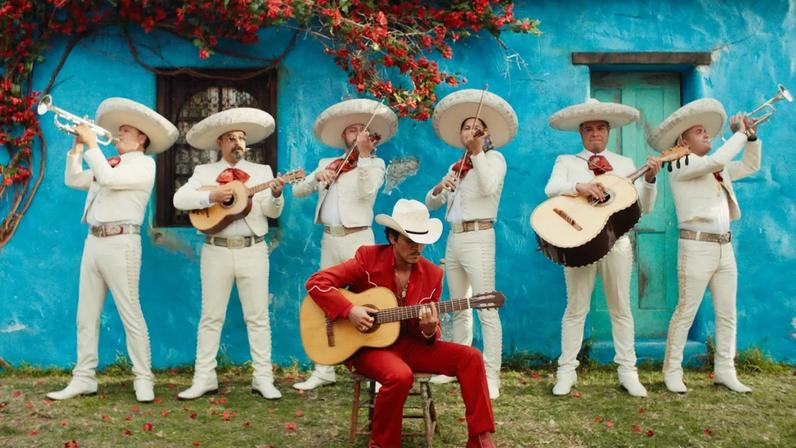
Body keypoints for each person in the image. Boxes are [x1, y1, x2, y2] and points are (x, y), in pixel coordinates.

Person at [306, 199, 496, 448]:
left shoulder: (433, 274)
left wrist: (429, 330)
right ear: (392, 238)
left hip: (408, 345)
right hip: (366, 347)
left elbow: (428, 335)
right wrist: (349, 310)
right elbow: (317, 283)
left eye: (421, 240)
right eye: (409, 240)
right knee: (400, 376)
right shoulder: (367, 259)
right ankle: (383, 444)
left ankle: (480, 438)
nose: (417, 247)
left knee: (470, 357)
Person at [48, 97, 178, 402]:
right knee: (85, 315)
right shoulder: (108, 162)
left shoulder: (145, 165)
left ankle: (143, 378)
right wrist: (78, 147)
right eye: (117, 131)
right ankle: (84, 378)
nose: (117, 135)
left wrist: (93, 144)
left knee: (130, 312)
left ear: (141, 138)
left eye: (125, 131)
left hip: (122, 243)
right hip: (93, 242)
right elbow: (73, 179)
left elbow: (108, 179)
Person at [544, 99, 661, 397]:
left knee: (621, 309)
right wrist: (579, 187)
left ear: (608, 132)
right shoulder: (567, 161)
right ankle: (566, 372)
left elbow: (644, 207)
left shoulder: (623, 164)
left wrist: (650, 179)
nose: (595, 133)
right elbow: (551, 189)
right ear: (581, 133)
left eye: (600, 128)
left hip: (616, 243)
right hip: (579, 243)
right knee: (576, 308)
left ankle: (628, 372)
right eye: (588, 129)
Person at [648, 99, 761, 393]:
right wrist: (738, 132)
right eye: (700, 132)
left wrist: (752, 137)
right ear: (684, 141)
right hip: (696, 247)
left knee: (727, 313)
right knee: (686, 310)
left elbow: (751, 165)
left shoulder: (717, 169)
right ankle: (672, 370)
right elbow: (714, 160)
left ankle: (725, 369)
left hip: (725, 247)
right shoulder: (679, 163)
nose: (707, 134)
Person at [173, 107, 285, 400]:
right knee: (211, 317)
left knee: (258, 317)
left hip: (253, 249)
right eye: (231, 138)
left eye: (242, 138)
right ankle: (204, 378)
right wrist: (212, 196)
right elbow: (179, 198)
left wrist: (275, 195)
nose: (238, 143)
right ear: (220, 143)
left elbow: (272, 213)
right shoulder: (204, 172)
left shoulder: (262, 172)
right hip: (216, 251)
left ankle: (263, 378)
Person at [292, 99, 396, 391]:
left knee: (370, 301)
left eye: (361, 129)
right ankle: (324, 369)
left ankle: (378, 368)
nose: (356, 133)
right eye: (351, 130)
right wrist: (316, 177)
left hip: (358, 238)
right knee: (325, 296)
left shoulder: (375, 163)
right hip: (330, 238)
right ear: (343, 137)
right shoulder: (328, 163)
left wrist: (363, 156)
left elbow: (367, 191)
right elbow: (299, 191)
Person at [425, 89, 518, 400]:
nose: (470, 131)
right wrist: (441, 187)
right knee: (458, 305)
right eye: (466, 127)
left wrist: (478, 152)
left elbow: (490, 186)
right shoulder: (456, 166)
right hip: (455, 237)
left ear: (485, 133)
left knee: (485, 307)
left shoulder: (494, 158)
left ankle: (491, 376)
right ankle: (456, 365)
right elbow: (432, 203)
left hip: (480, 235)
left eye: (476, 127)